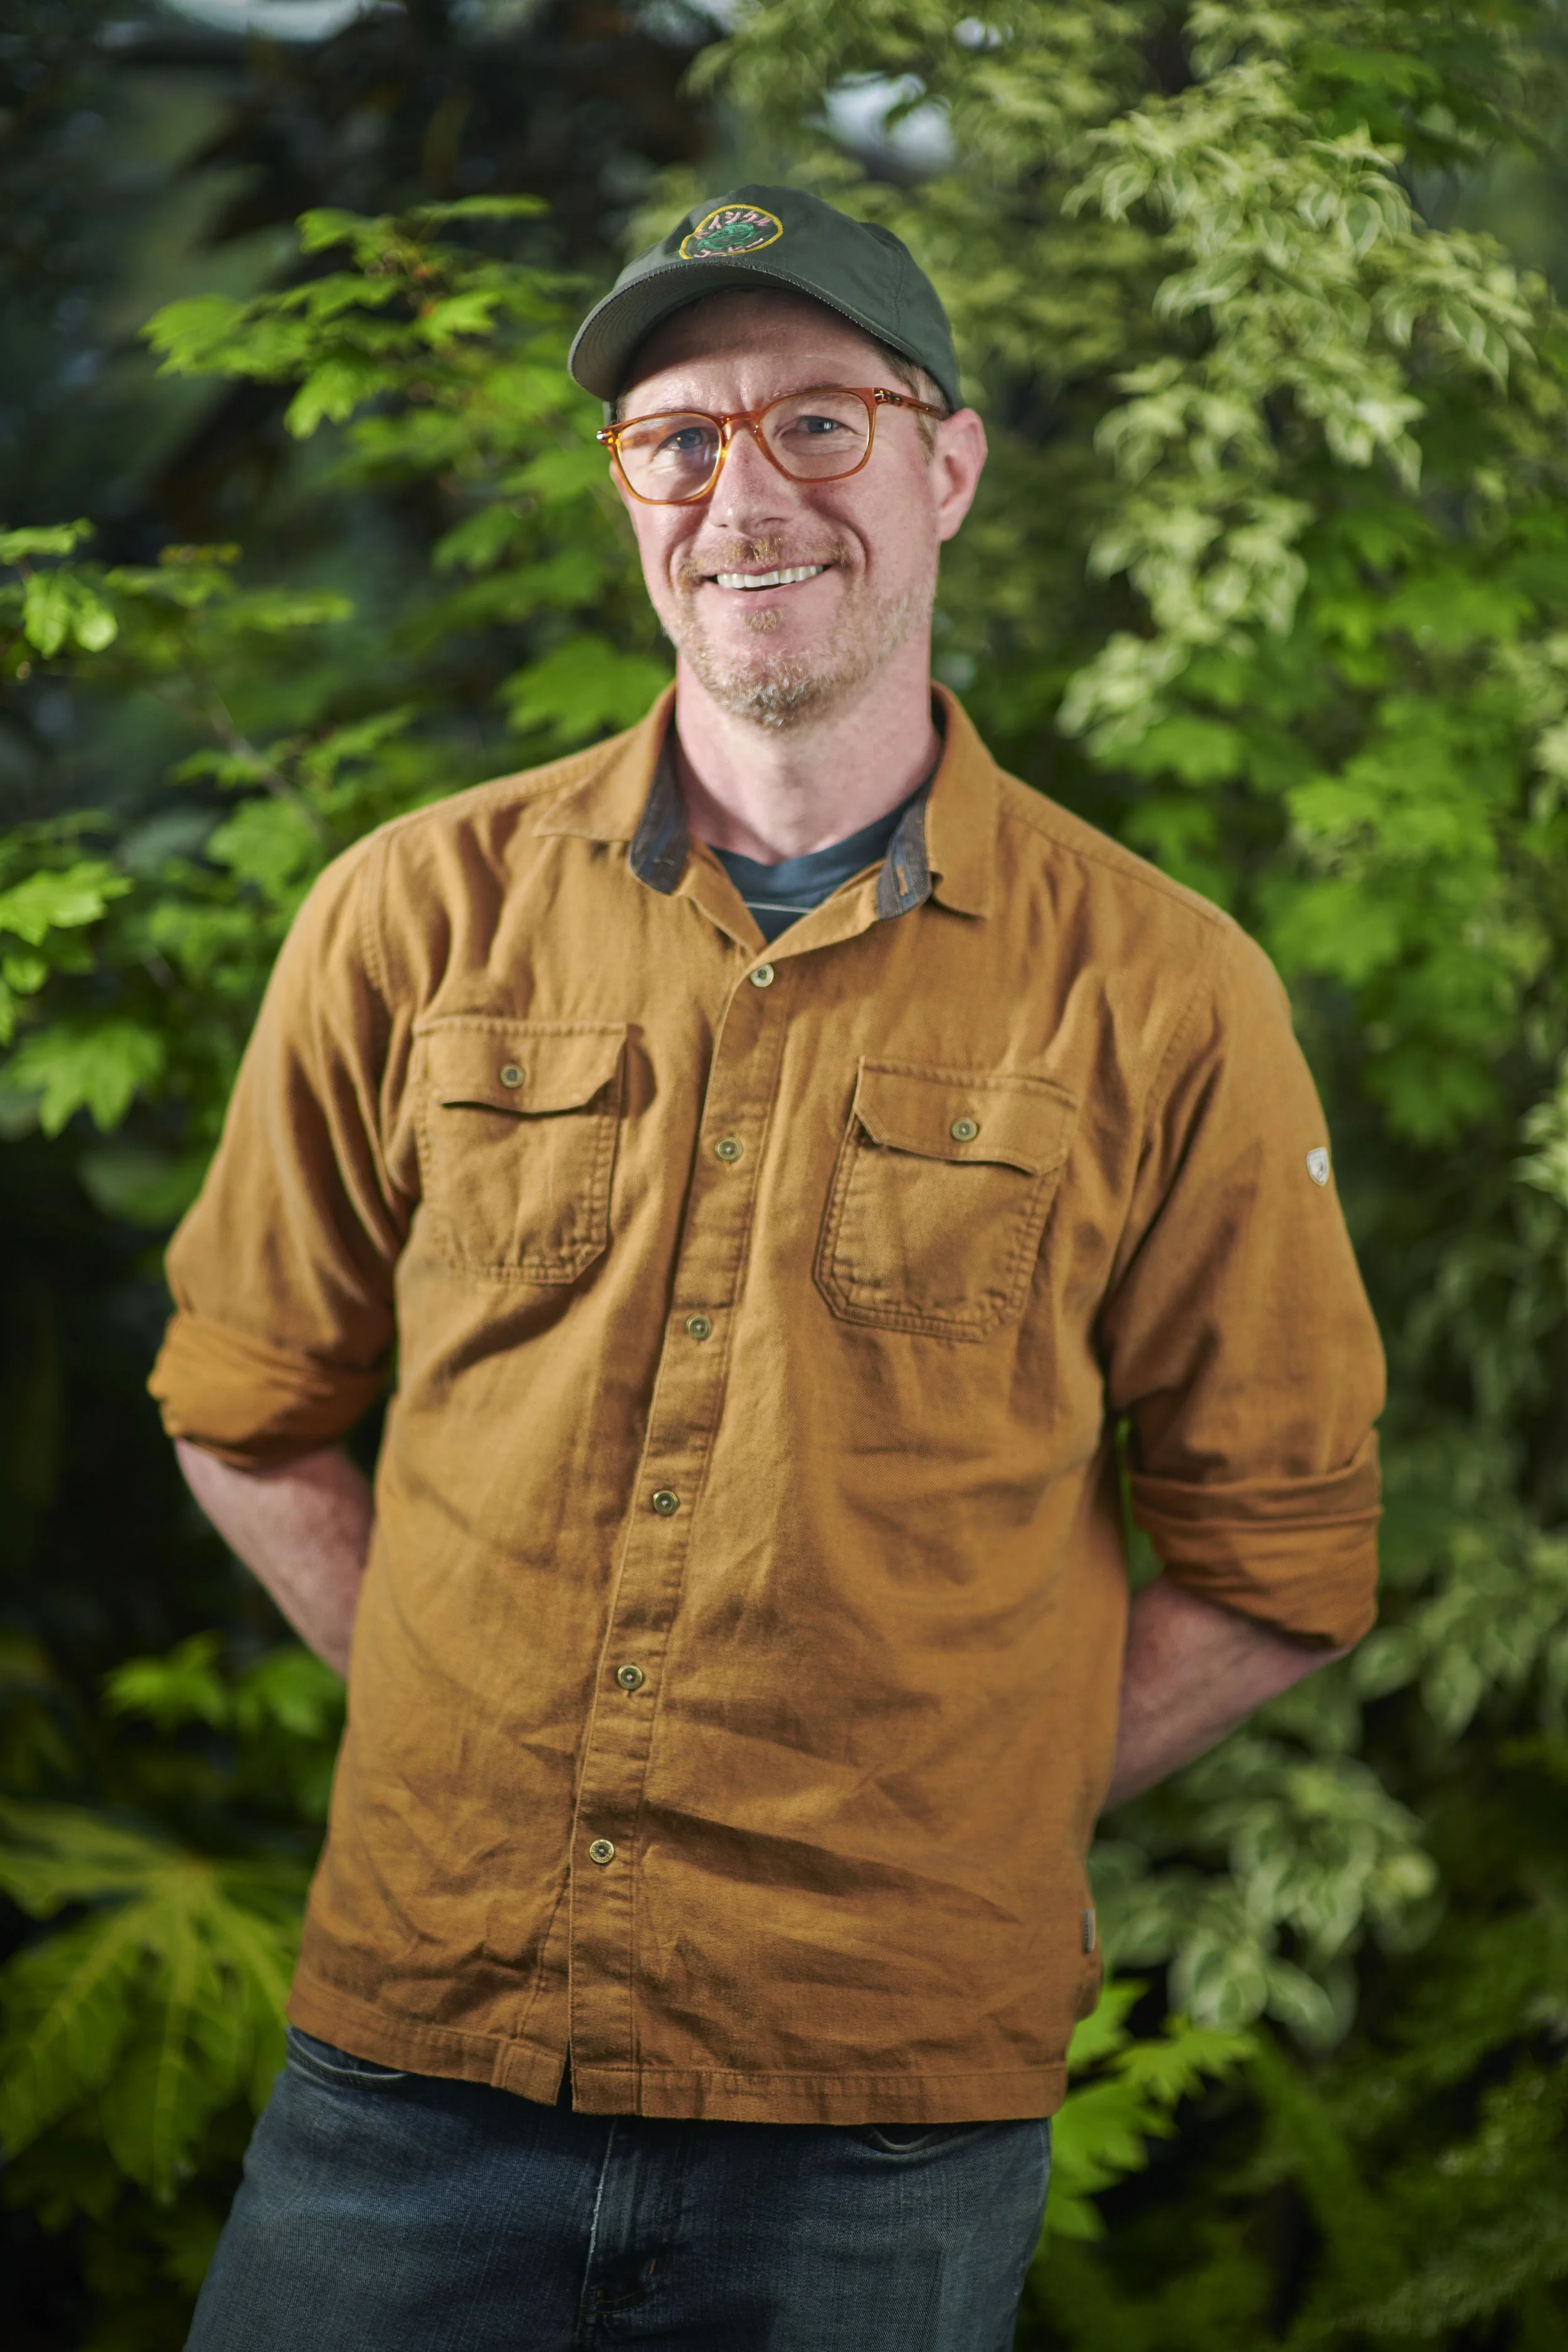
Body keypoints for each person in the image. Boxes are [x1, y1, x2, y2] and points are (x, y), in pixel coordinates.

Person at [155, 183, 1384, 2352]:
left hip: (878, 2122)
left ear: (948, 466)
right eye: (679, 434)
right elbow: (243, 1405)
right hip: (414, 2064)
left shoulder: (1167, 995)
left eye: (822, 421)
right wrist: (487, 1740)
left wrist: (936, 1807)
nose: (747, 493)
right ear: (625, 486)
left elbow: (1284, 1554)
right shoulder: (407, 917)